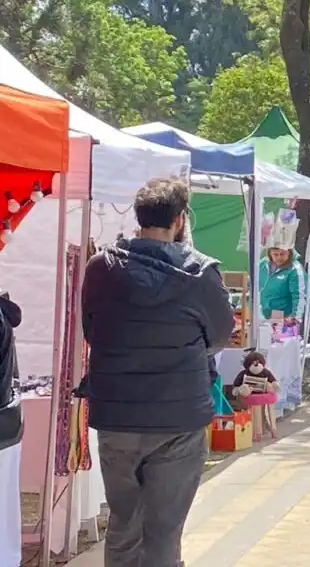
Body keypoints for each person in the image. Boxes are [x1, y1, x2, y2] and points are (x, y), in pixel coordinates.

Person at [80, 177, 236, 567]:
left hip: (117, 414)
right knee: (164, 530)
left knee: (123, 523)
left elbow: (91, 329)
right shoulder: (200, 275)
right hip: (177, 417)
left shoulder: (101, 267)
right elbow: (219, 336)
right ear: (180, 220)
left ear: (138, 217)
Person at [258, 244, 306, 319]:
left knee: (276, 330)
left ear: (289, 252)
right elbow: (251, 286)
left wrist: (295, 317)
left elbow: (299, 295)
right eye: (275, 254)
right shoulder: (262, 264)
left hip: (281, 314)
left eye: (282, 254)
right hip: (260, 312)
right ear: (270, 253)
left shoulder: (295, 269)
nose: (279, 257)